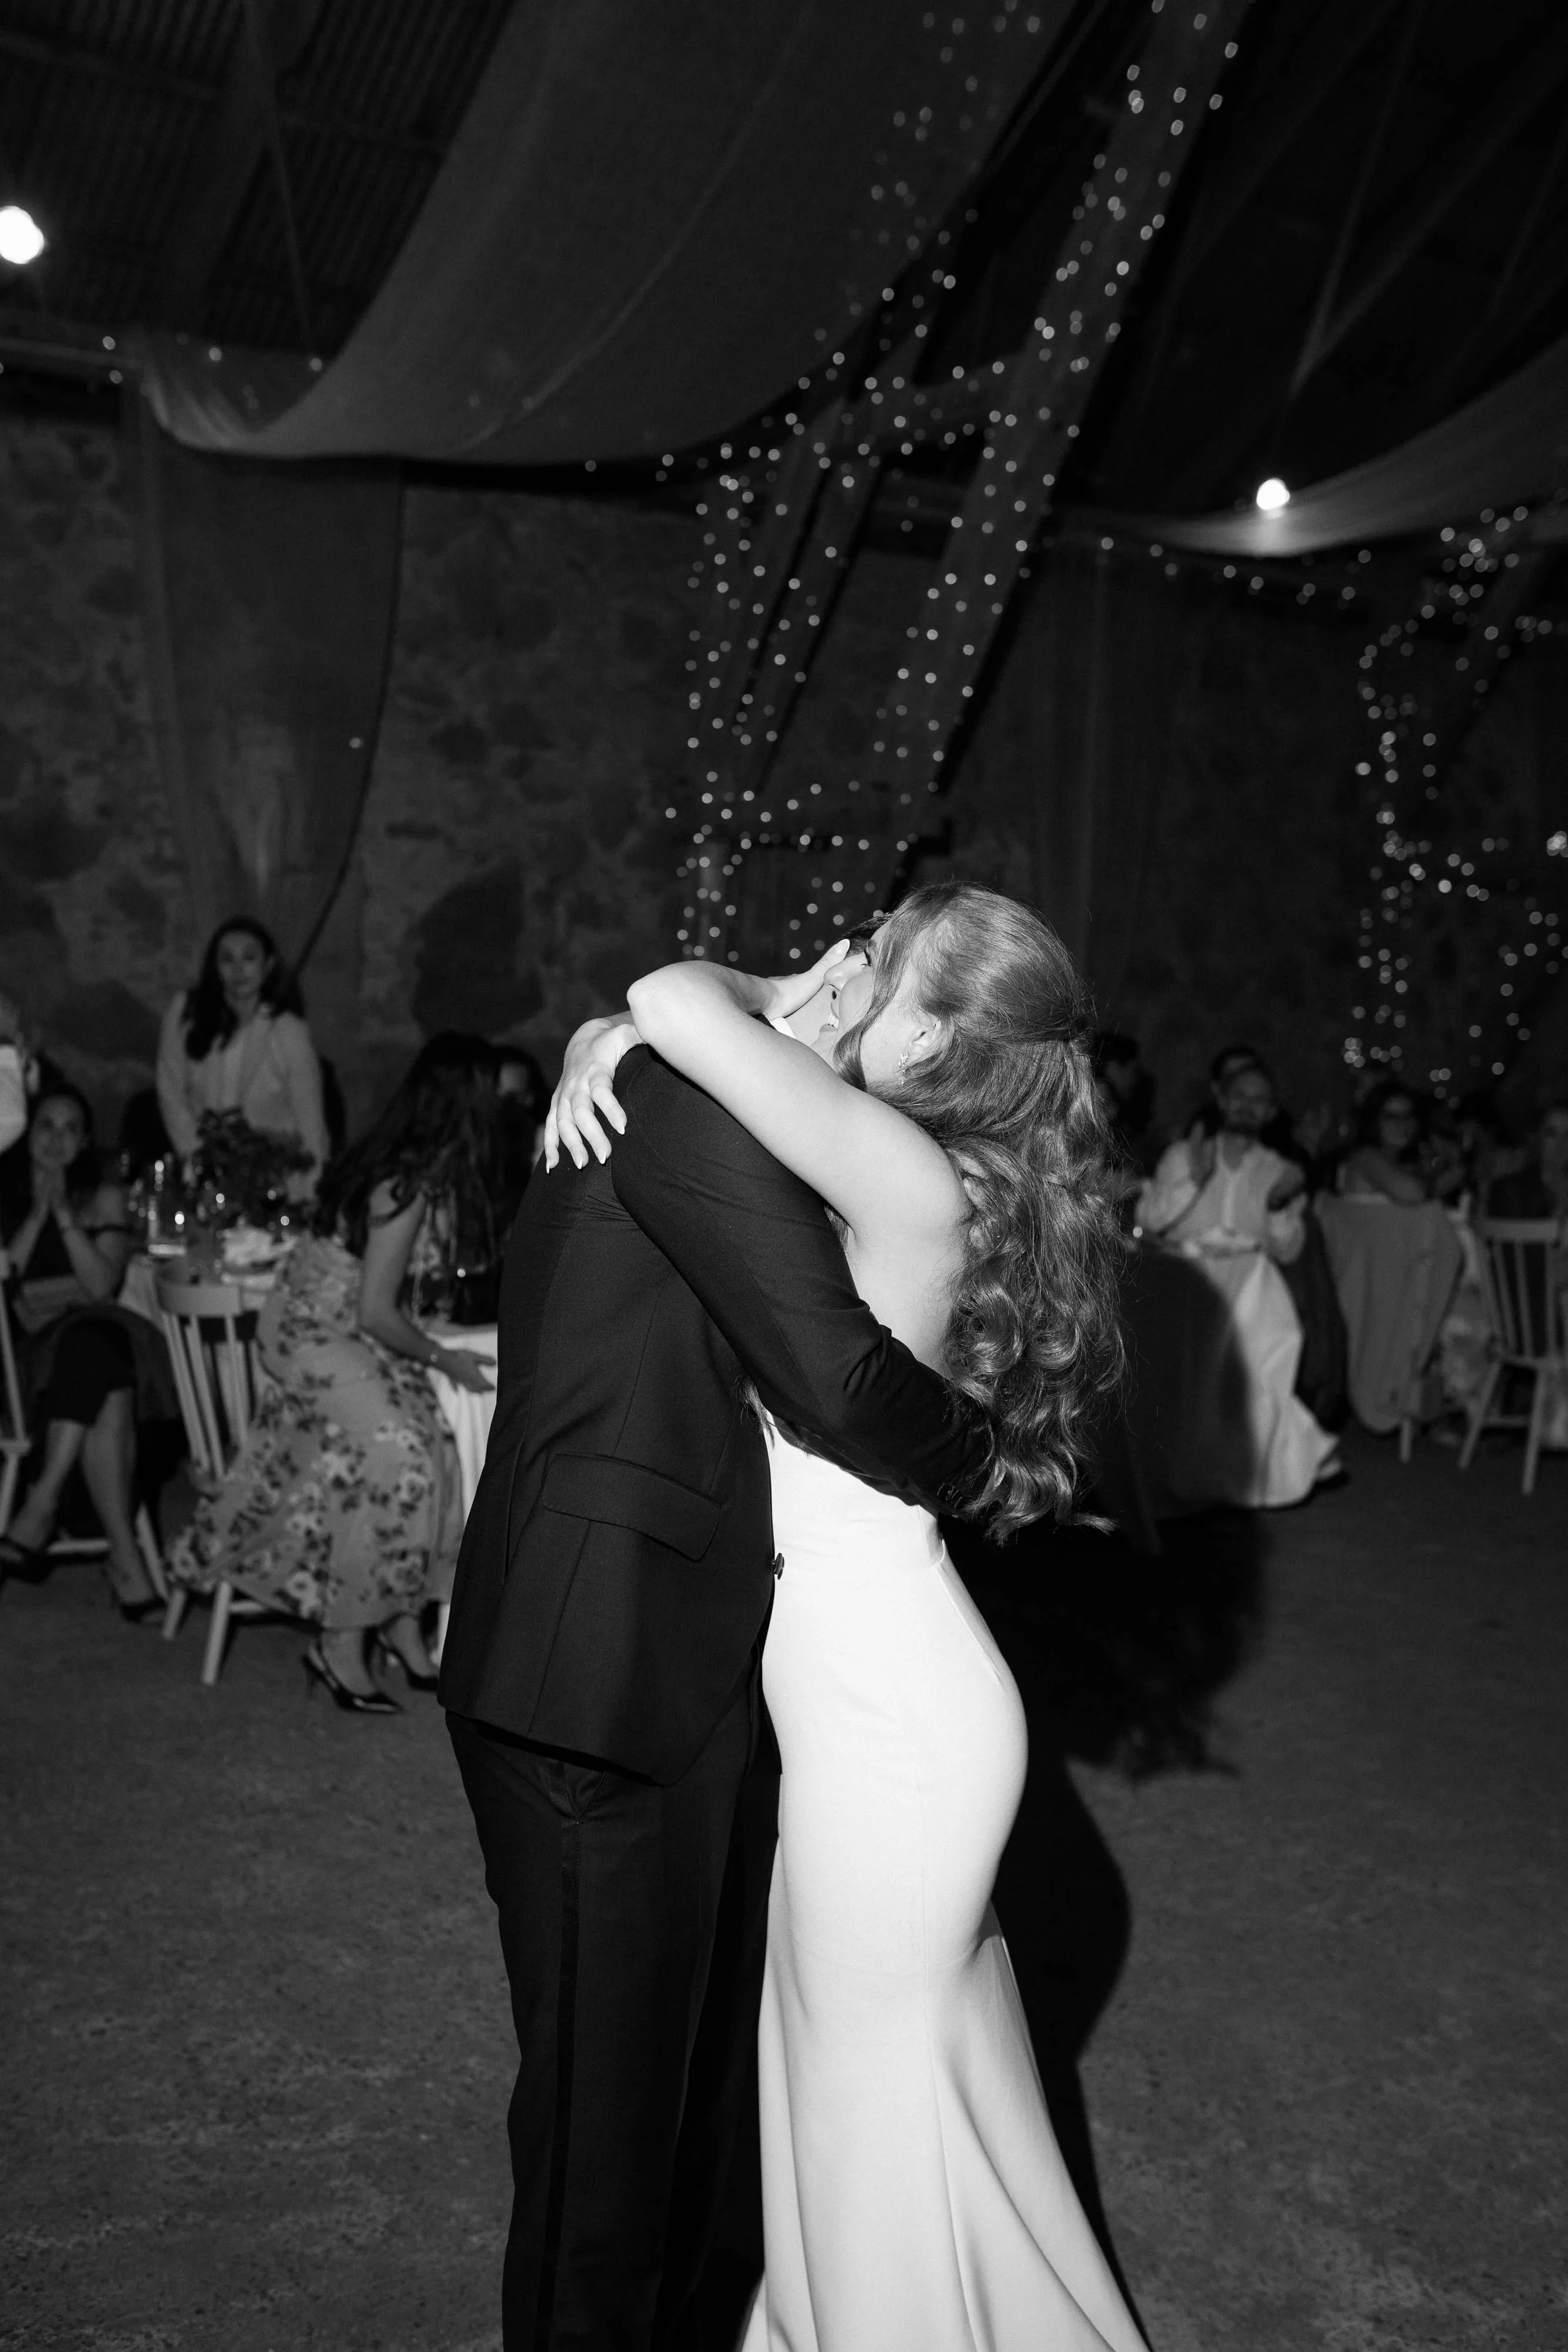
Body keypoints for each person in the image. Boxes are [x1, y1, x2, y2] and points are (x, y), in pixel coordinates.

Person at [523, 883, 1147, 2352]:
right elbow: (664, 1048)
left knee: (863, 2094)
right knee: (839, 2077)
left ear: (928, 1033)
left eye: (879, 962)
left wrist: (722, 986)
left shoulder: (893, 1164)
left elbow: (681, 1003)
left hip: (894, 1722)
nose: (845, 964)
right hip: (874, 1698)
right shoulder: (893, 1153)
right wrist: (596, 1034)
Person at [169, 1034, 501, 1711]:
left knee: (436, 1444)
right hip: (311, 1330)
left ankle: (405, 1625)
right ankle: (341, 1640)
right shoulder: (403, 1185)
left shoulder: (417, 1170)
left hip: (346, 1324)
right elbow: (377, 1313)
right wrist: (444, 1358)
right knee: (399, 1455)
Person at [0, 1083, 171, 1611]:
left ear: (86, 1141)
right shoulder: (2, 1189)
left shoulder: (103, 1193)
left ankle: (43, 1502)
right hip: (17, 1361)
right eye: (46, 1126)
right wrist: (37, 1214)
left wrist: (67, 1220)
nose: (56, 1140)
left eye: (70, 1129)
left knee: (94, 1345)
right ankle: (125, 1557)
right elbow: (7, 1281)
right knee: (103, 1364)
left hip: (80, 1345)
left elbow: (100, 1286)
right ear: (27, 1133)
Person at [1141, 1057, 1340, 1504]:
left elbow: (1288, 1249)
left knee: (1261, 1370)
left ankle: (1253, 1477)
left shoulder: (1275, 1167)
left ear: (1271, 1112)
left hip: (1252, 1281)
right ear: (1221, 1099)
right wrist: (1196, 1179)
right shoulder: (1185, 1154)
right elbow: (1150, 1221)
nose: (1248, 1107)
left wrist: (1278, 1206)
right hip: (1188, 1279)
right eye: (1240, 1096)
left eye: (1260, 1100)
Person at [156, 916, 329, 1177]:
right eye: (227, 960)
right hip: (204, 1170)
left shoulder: (288, 1030)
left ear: (268, 965)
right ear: (215, 967)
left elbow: (311, 1126)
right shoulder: (187, 1012)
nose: (238, 970)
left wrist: (313, 1193)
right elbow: (170, 1090)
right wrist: (197, 1156)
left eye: (249, 958)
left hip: (273, 1175)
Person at [1338, 1080, 1463, 1204]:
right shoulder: (1366, 1157)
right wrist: (1456, 1172)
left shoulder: (1399, 1162)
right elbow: (1414, 1194)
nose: (1402, 1125)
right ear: (1374, 1122)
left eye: (1408, 1116)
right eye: (1391, 1117)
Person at [1486, 1101, 1568, 1219]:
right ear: (1538, 1138)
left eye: (1567, 1135)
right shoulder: (1510, 1190)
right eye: (1552, 1133)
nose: (1561, 1143)